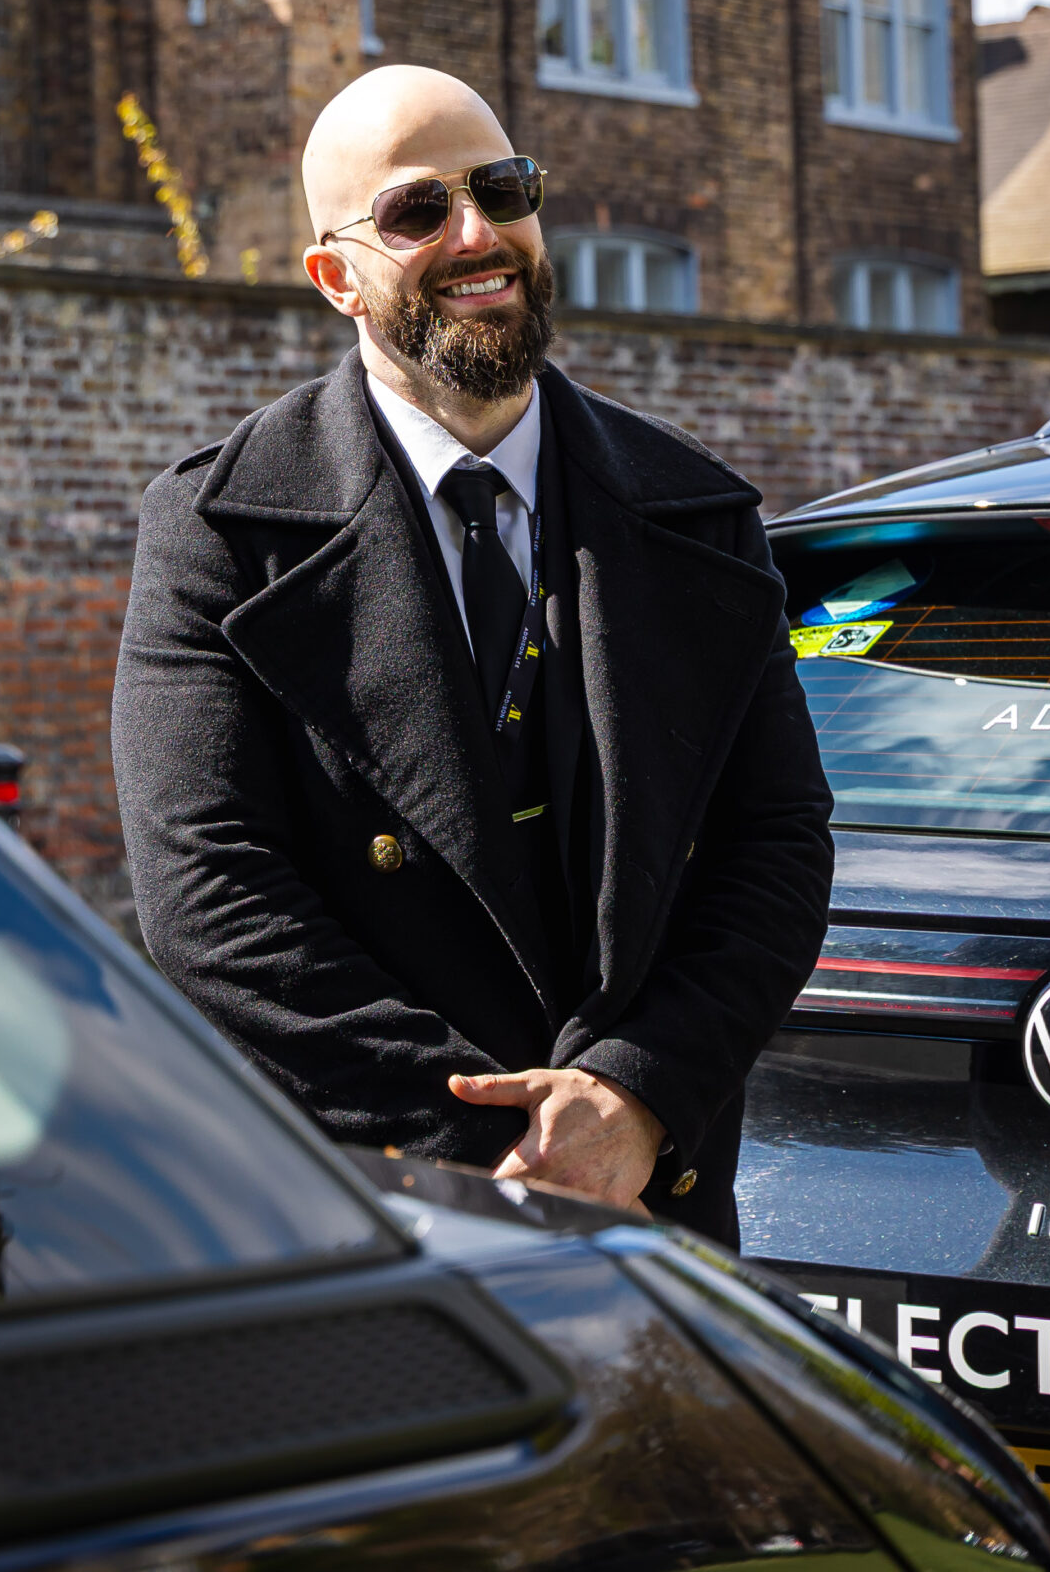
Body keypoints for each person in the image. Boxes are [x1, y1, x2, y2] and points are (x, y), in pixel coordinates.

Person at [111, 64, 834, 1243]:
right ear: (336, 275)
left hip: (655, 1195)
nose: (477, 232)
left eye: (501, 187)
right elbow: (208, 897)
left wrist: (635, 1091)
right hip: (377, 1210)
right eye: (416, 209)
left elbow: (776, 843)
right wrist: (499, 1151)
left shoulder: (694, 512)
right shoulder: (219, 531)